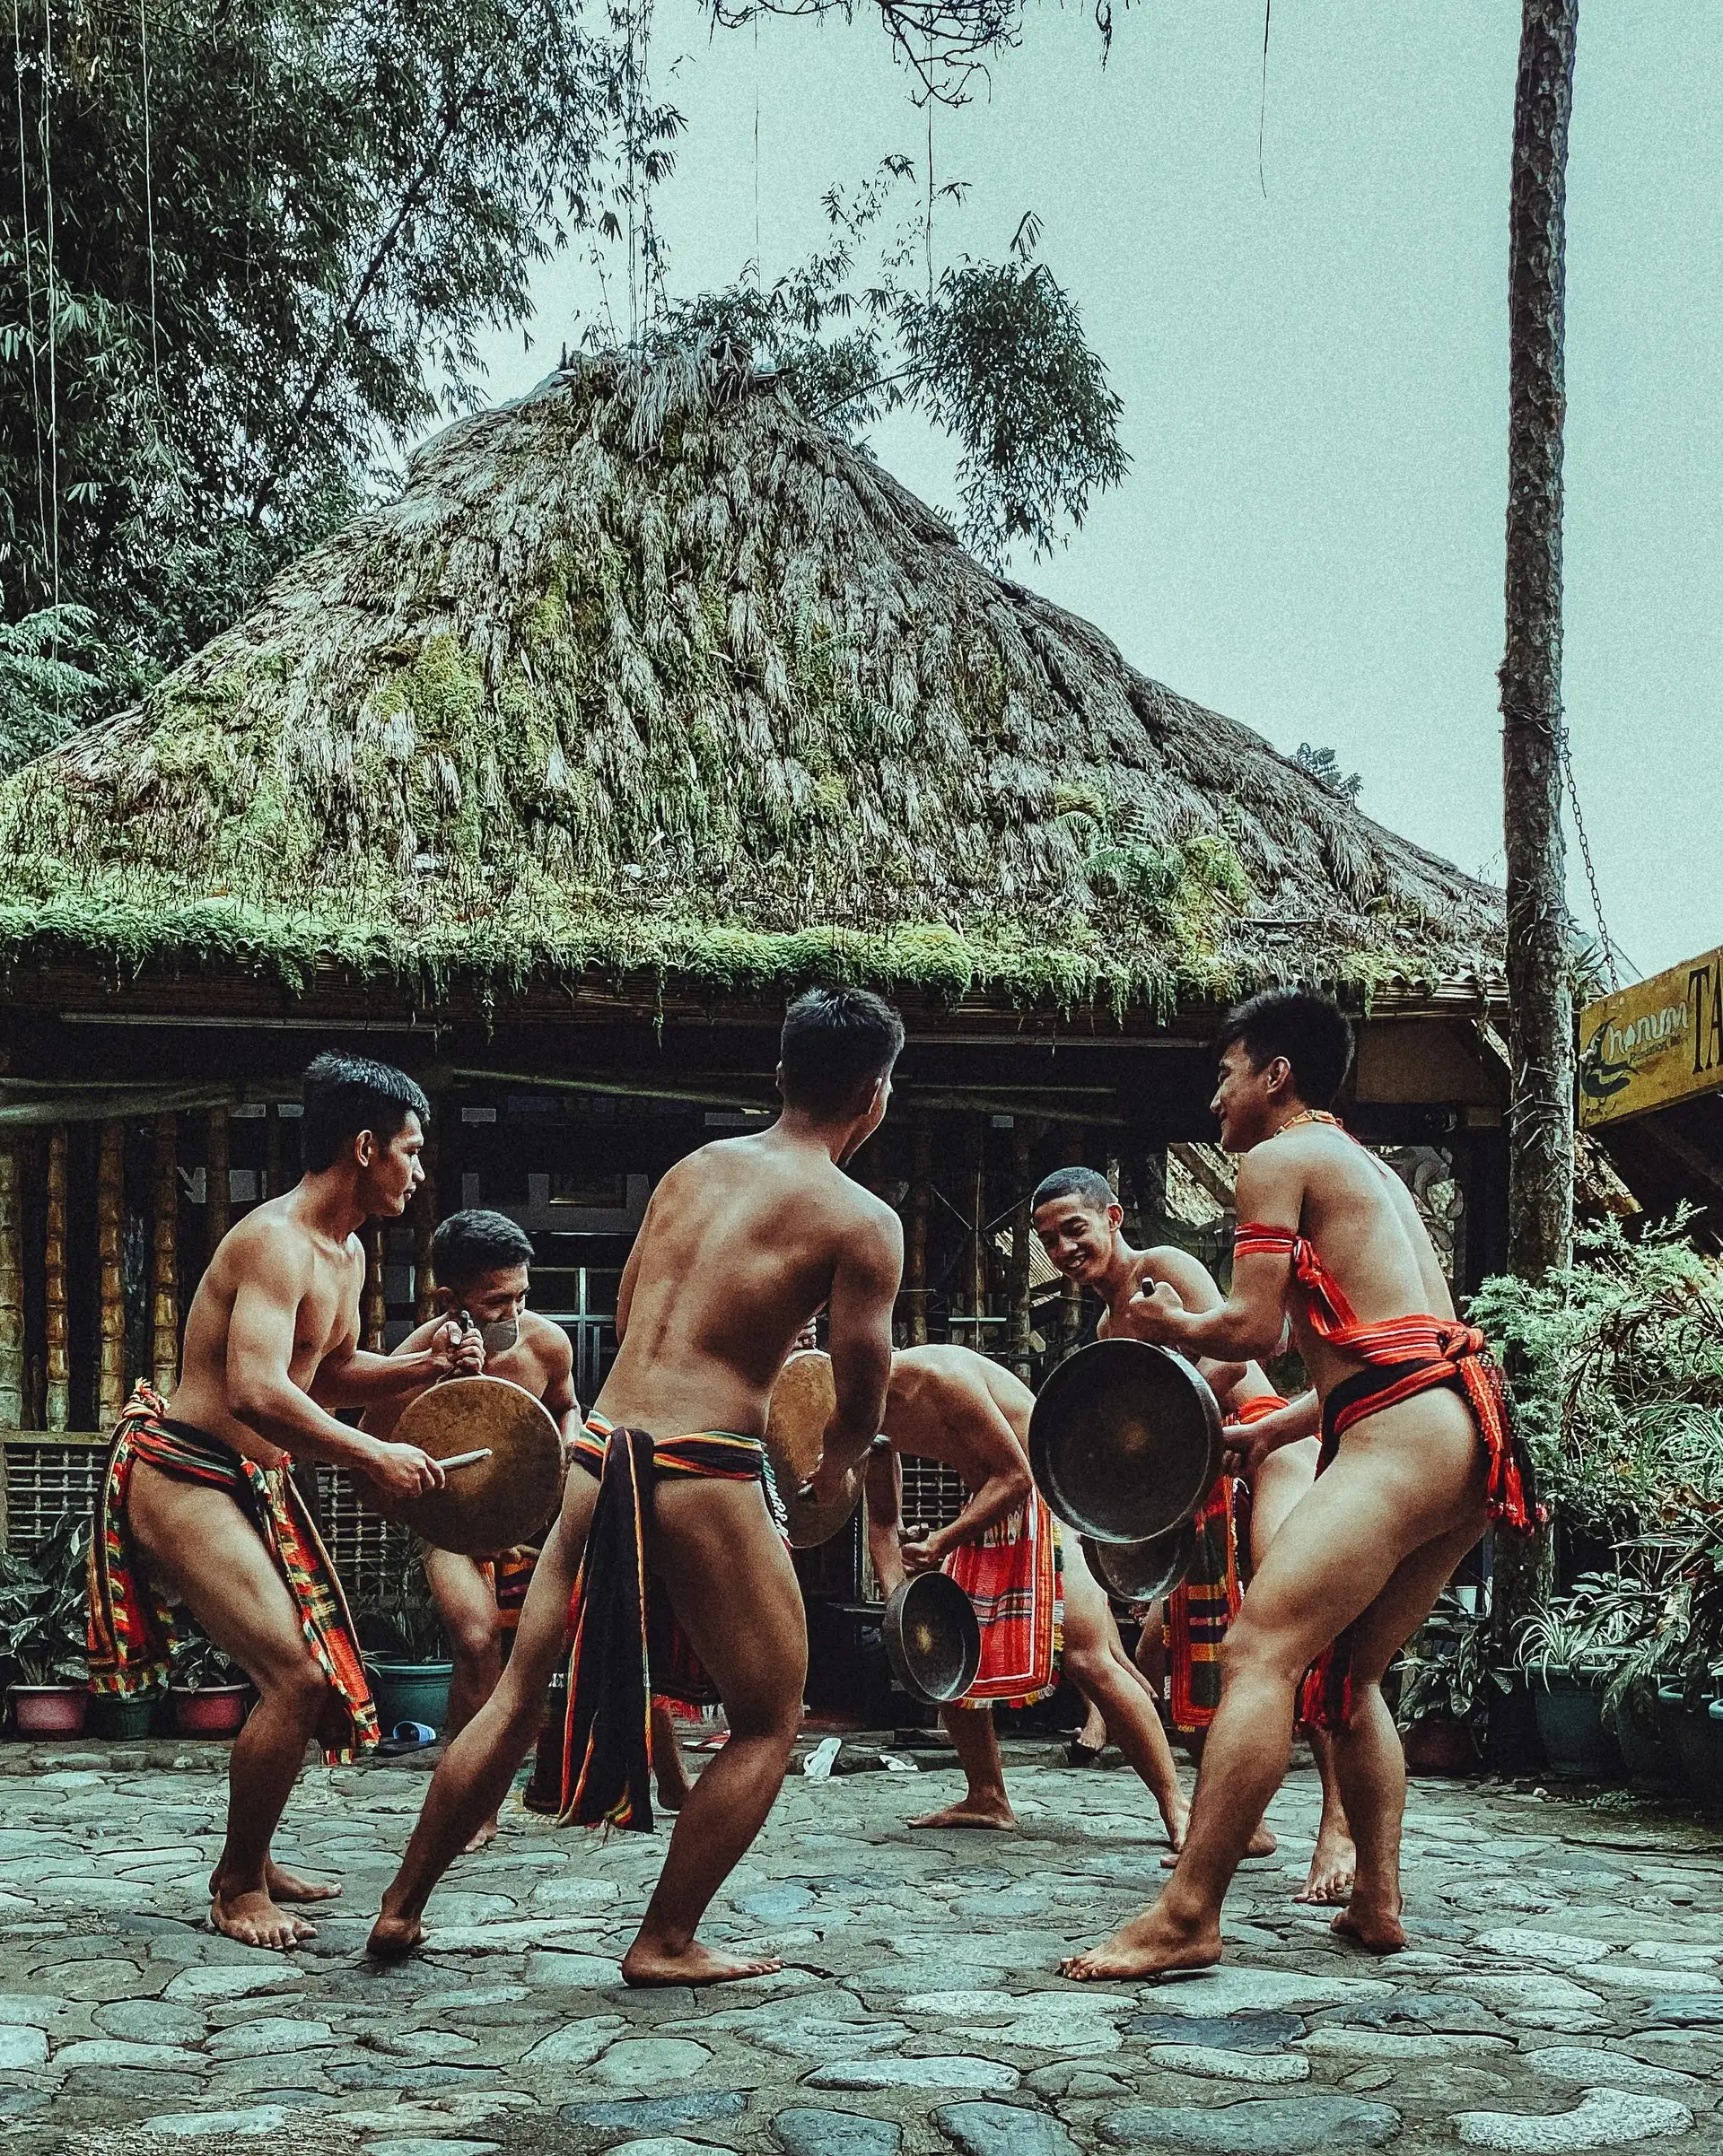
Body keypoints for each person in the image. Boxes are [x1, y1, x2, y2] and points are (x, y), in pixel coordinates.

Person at [369, 986, 905, 1983]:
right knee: (767, 1719)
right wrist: (841, 1459)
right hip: (701, 1469)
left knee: (516, 1694)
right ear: (874, 1095)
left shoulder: (692, 1171)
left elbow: (626, 1313)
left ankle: (401, 1909)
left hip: (601, 1448)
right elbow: (862, 1386)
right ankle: (665, 1940)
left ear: (781, 1076)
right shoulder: (862, 1219)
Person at [1061, 988, 1540, 1980]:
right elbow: (1387, 1349)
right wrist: (1271, 1427)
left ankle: (1190, 1912)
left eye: (1225, 1076)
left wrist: (1166, 1328)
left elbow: (1254, 1330)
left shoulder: (1277, 1159)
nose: (1214, 1102)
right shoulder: (1371, 1174)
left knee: (1259, 1653)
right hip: (1456, 1435)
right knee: (1347, 1678)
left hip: (1400, 1438)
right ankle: (1377, 1901)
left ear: (1275, 1076)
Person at [87, 1054, 478, 1951]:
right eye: (411, 1152)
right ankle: (235, 1888)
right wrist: (373, 1451)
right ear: (367, 1146)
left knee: (308, 1676)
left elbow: (326, 1371)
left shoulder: (345, 1250)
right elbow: (258, 1391)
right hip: (184, 1471)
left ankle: (255, 1860)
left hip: (251, 1482)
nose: (419, 1172)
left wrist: (420, 1365)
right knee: (295, 1677)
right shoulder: (273, 1240)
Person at [1031, 1167, 1354, 1902]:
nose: (1063, 1248)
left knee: (1293, 1633)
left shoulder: (1161, 1271)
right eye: (1049, 1239)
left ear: (1112, 1217)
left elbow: (1239, 1355)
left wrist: (1165, 1431)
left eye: (1073, 1229)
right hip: (1201, 1488)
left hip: (1266, 1446)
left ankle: (1338, 1822)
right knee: (1180, 1655)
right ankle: (1247, 1818)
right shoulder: (1108, 1331)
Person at [866, 1344, 1188, 1847]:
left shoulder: (943, 1377)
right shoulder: (858, 1413)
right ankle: (987, 1797)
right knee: (949, 1659)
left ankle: (1175, 1804)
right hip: (986, 1508)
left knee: (1089, 1660)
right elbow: (884, 1521)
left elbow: (1016, 1476)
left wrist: (941, 1541)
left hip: (1041, 1494)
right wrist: (901, 1607)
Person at [363, 1209, 583, 1850]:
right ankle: (468, 1802)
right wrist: (437, 1387)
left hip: (536, 1517)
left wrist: (566, 1443)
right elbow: (371, 1450)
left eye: (521, 1295)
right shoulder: (411, 1359)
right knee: (476, 1637)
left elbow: (568, 1405)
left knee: (551, 1649)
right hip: (453, 1525)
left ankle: (544, 1779)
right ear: (447, 1298)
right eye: (495, 1301)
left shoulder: (547, 1344)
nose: (512, 1311)